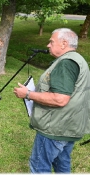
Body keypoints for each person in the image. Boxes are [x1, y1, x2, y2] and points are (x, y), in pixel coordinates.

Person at [13, 28, 90, 173]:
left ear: (64, 43)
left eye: (51, 41)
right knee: (62, 166)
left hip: (55, 127)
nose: (48, 45)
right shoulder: (78, 60)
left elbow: (60, 99)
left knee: (39, 167)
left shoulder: (66, 63)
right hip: (69, 126)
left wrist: (28, 94)